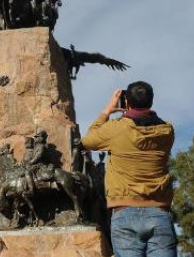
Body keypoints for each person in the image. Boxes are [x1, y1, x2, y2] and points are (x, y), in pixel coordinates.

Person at [81, 81, 176, 257]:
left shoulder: (116, 129)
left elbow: (87, 141)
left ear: (126, 103)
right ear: (151, 101)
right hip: (159, 212)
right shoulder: (167, 131)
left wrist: (107, 111)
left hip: (124, 213)